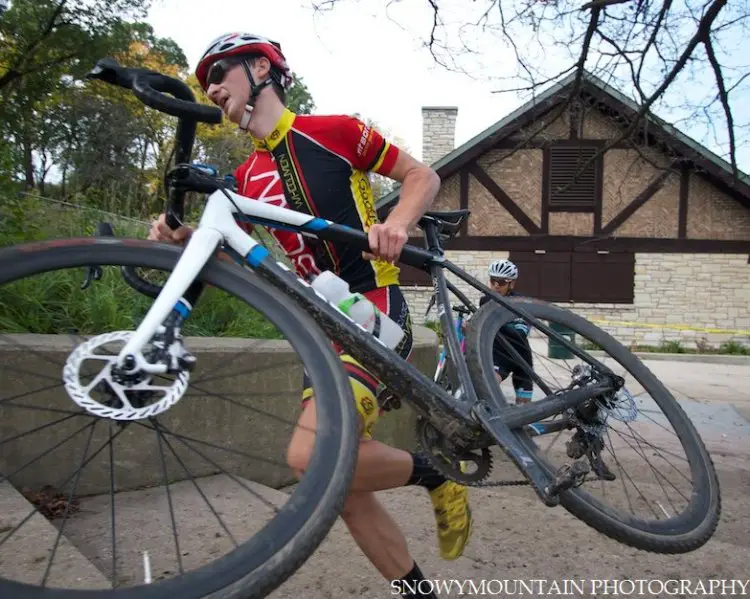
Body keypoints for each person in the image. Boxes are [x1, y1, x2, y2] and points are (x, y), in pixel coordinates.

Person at [148, 32, 471, 599]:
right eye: (205, 83)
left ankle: (434, 473)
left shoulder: (337, 131)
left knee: (311, 459)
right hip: (320, 325)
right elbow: (222, 251)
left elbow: (424, 176)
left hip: (374, 307)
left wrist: (399, 224)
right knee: (339, 486)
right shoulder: (245, 177)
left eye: (220, 72)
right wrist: (182, 240)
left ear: (261, 69)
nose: (212, 87)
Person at [480, 259, 534, 404]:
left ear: (512, 283)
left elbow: (520, 333)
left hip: (521, 356)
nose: (496, 286)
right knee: (487, 386)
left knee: (524, 405)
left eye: (502, 282)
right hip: (500, 355)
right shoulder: (485, 301)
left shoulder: (520, 303)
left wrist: (495, 324)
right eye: (493, 281)